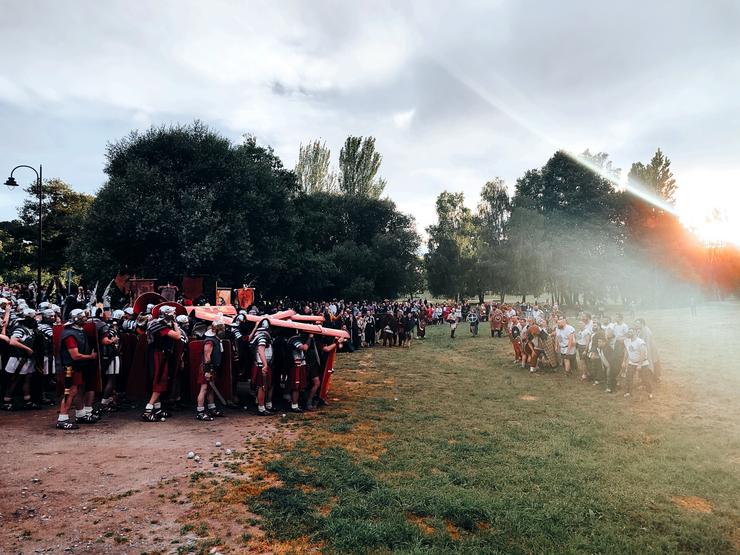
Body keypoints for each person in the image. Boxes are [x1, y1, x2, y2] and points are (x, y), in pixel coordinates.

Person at [57, 309, 98, 429]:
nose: (85, 319)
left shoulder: (78, 331)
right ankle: (62, 419)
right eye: (82, 317)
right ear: (75, 319)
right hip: (70, 368)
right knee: (70, 392)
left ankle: (80, 414)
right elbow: (75, 355)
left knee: (78, 390)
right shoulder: (69, 334)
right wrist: (90, 356)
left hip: (77, 367)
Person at [142, 305, 181, 422]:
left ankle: (157, 410)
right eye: (172, 313)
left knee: (158, 380)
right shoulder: (159, 325)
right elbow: (177, 336)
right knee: (159, 380)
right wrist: (175, 325)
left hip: (159, 354)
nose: (174, 315)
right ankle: (148, 410)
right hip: (157, 355)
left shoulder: (158, 323)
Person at [3, 308, 40, 410]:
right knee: (15, 379)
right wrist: (27, 349)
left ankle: (27, 400)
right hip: (18, 358)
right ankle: (7, 401)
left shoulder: (30, 329)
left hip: (27, 358)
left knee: (27, 378)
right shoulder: (20, 329)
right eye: (34, 317)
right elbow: (13, 341)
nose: (35, 319)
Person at [196, 321, 226, 421]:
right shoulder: (209, 341)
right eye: (222, 329)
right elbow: (207, 357)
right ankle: (200, 412)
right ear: (217, 330)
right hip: (207, 368)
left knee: (210, 389)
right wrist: (207, 371)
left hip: (212, 368)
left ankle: (212, 408)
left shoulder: (215, 339)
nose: (223, 331)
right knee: (204, 389)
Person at [250, 318, 275, 416]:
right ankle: (261, 408)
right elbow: (261, 350)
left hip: (260, 364)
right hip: (262, 365)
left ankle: (262, 406)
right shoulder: (263, 336)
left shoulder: (257, 334)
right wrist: (265, 365)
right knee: (262, 387)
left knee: (264, 386)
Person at [623, 326, 654, 399]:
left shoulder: (640, 342)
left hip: (643, 363)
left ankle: (650, 392)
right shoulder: (627, 341)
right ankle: (628, 392)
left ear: (636, 332)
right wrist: (624, 361)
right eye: (629, 331)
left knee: (645, 379)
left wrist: (639, 365)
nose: (629, 333)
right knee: (628, 377)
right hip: (632, 363)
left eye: (631, 331)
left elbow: (643, 354)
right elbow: (627, 351)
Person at [287, 332, 312, 413]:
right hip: (296, 364)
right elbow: (304, 348)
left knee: (299, 386)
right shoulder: (293, 339)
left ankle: (295, 403)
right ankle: (294, 405)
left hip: (299, 363)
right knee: (296, 386)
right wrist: (309, 338)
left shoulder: (294, 338)